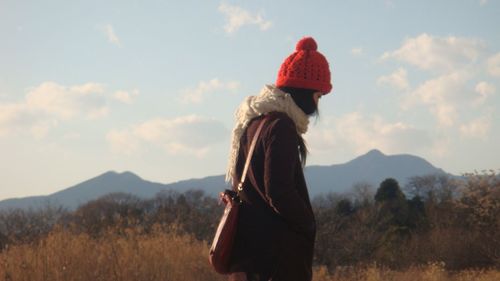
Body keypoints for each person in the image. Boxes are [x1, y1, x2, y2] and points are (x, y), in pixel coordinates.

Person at [225, 36, 333, 281]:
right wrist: (308, 224)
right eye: (318, 95)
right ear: (304, 92)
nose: (317, 104)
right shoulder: (281, 126)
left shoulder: (253, 122)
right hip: (275, 260)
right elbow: (279, 191)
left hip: (249, 256)